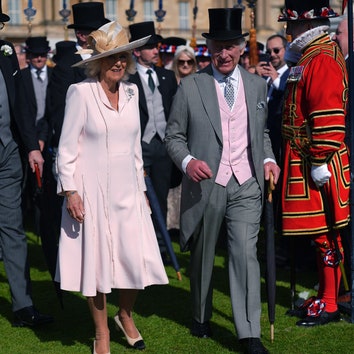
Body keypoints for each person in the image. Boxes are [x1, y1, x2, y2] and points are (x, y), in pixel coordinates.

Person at [165, 8, 280, 354]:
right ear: (210, 48)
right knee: (202, 256)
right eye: (218, 45)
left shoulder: (257, 85)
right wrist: (188, 162)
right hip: (207, 185)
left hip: (247, 184)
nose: (224, 53)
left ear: (242, 47)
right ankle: (200, 314)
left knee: (245, 253)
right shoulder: (191, 86)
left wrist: (269, 159)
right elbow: (173, 137)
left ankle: (248, 333)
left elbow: (260, 136)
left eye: (230, 45)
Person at [55, 21, 168, 354]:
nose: (119, 63)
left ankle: (125, 314)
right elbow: (66, 149)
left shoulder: (132, 93)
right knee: (98, 265)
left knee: (134, 259)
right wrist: (70, 191)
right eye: (111, 57)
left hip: (129, 192)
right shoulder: (80, 92)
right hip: (91, 193)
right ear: (98, 61)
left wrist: (143, 190)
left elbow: (135, 147)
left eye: (123, 57)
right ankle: (102, 333)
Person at [278, 0, 350, 326]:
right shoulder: (310, 56)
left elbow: (329, 115)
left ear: (304, 26)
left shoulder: (321, 58)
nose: (287, 31)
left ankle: (331, 302)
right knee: (318, 233)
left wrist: (320, 157)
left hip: (316, 159)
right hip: (305, 156)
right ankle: (324, 294)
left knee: (326, 233)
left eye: (290, 26)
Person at [0, 1, 53, 327]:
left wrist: (32, 147)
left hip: (7, 153)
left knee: (13, 230)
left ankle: (23, 306)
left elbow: (19, 103)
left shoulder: (5, 54)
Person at [128, 21, 178, 261]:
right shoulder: (126, 78)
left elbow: (175, 111)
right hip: (138, 145)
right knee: (137, 200)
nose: (156, 50)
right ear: (137, 51)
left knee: (160, 197)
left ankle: (161, 247)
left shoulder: (167, 76)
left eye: (157, 46)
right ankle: (138, 247)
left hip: (161, 146)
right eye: (150, 47)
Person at [21, 36, 52, 233]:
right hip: (25, 138)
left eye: (42, 54)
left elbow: (53, 111)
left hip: (48, 138)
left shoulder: (55, 75)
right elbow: (21, 112)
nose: (39, 59)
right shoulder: (21, 77)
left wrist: (42, 137)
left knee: (47, 190)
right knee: (25, 188)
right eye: (35, 55)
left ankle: (44, 227)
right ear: (29, 56)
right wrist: (31, 141)